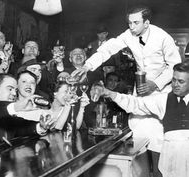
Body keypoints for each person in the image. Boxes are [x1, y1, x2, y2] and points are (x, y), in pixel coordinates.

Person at [72, 6, 181, 176]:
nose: (131, 26)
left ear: (147, 23)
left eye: (136, 23)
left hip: (161, 92)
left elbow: (175, 65)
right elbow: (107, 48)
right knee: (139, 137)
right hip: (141, 90)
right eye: (129, 22)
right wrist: (87, 66)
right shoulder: (129, 34)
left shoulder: (162, 37)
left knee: (160, 141)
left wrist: (156, 83)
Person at [92, 60, 189, 177]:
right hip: (169, 158)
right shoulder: (164, 100)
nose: (175, 84)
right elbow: (136, 104)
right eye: (173, 80)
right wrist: (109, 93)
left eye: (181, 81)